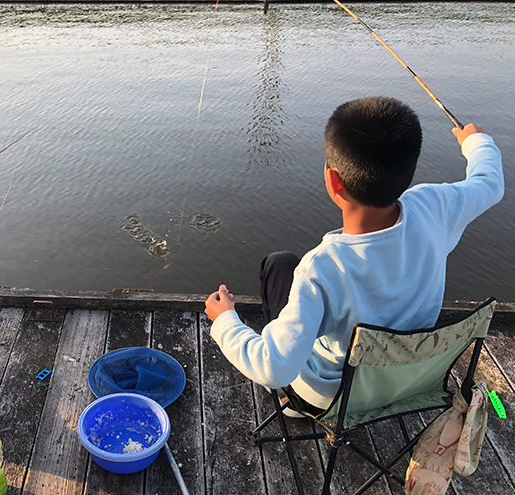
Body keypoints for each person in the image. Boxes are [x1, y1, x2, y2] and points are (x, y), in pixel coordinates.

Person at [205, 96, 504, 416]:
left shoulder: (322, 268)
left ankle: (291, 404)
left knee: (279, 264)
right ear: (412, 169)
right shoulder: (435, 206)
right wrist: (476, 141)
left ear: (333, 180)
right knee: (284, 265)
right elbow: (490, 183)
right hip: (407, 384)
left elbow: (273, 368)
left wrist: (225, 320)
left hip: (332, 400)